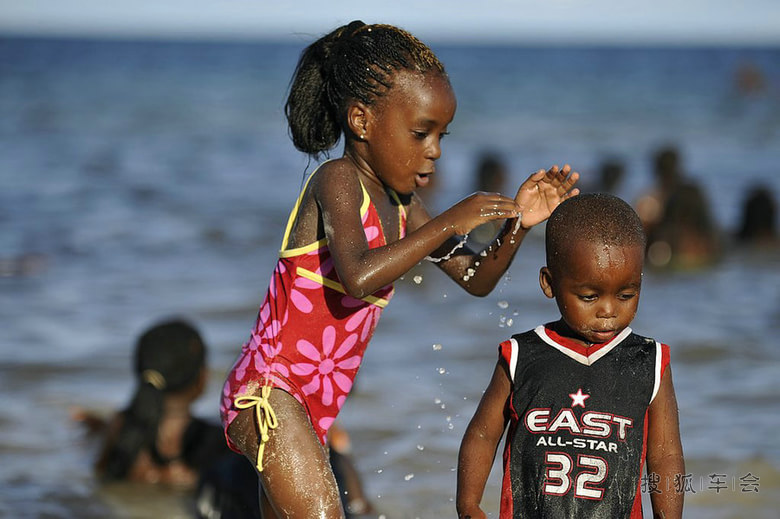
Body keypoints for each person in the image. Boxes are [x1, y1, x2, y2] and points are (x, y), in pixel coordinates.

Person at [220, 20, 580, 518]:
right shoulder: (338, 180)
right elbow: (357, 275)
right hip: (268, 391)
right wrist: (451, 219)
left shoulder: (403, 207)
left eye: (441, 135)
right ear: (362, 121)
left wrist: (519, 224)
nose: (435, 151)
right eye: (420, 132)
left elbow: (476, 279)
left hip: (312, 406)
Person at [457, 193, 684, 518]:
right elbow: (483, 433)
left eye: (626, 295)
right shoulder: (522, 355)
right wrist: (469, 504)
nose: (608, 310)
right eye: (589, 296)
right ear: (549, 283)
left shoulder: (650, 361)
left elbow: (665, 456)